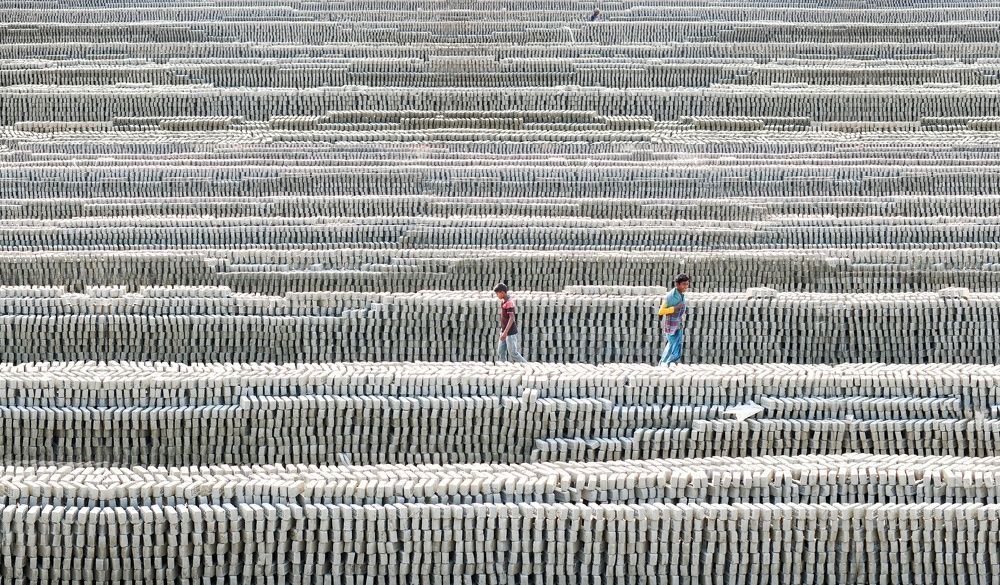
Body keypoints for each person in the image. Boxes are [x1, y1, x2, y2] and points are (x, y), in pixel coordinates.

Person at [658, 273, 690, 366]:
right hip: (671, 326)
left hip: (678, 325)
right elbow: (661, 311)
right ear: (677, 284)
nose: (686, 286)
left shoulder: (680, 294)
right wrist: (675, 308)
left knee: (676, 346)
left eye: (687, 284)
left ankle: (669, 364)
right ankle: (664, 364)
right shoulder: (671, 296)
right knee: (672, 346)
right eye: (684, 284)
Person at [494, 282, 527, 363]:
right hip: (504, 330)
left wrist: (505, 333)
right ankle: (503, 367)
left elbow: (512, 318)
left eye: (497, 294)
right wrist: (503, 330)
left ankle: (527, 366)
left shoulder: (509, 302)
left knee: (513, 353)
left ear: (502, 292)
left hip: (510, 332)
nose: (497, 295)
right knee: (501, 351)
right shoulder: (503, 301)